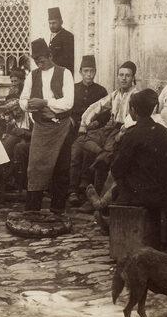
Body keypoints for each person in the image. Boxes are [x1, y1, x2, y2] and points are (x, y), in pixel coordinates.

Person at [86, 88, 167, 233]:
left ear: (133, 110)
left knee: (121, 178)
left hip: (142, 194)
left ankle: (105, 211)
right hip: (166, 191)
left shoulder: (132, 134)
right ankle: (104, 209)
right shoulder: (165, 133)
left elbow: (117, 169)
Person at [19, 38, 75, 214]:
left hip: (61, 127)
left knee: (61, 167)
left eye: (42, 60)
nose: (39, 64)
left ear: (50, 56)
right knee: (35, 167)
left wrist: (45, 103)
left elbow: (68, 102)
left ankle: (57, 209)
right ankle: (32, 210)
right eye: (36, 61)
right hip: (41, 127)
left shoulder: (65, 73)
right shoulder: (32, 75)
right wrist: (30, 105)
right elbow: (23, 99)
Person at [72, 61, 138, 208]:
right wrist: (84, 122)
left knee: (102, 161)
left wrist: (122, 132)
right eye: (121, 75)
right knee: (81, 140)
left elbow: (134, 119)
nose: (123, 78)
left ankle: (96, 201)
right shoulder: (115, 94)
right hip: (111, 129)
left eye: (127, 75)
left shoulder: (136, 95)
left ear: (133, 77)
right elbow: (97, 106)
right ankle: (104, 153)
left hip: (126, 131)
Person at [69, 55, 108, 202]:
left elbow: (106, 114)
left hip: (93, 132)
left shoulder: (101, 91)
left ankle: (84, 187)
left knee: (88, 153)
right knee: (75, 154)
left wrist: (96, 123)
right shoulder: (73, 89)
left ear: (95, 72)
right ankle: (72, 190)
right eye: (86, 71)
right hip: (75, 131)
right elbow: (67, 109)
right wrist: (72, 120)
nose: (89, 74)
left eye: (92, 71)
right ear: (80, 72)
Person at [0, 68, 31, 191]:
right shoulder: (10, 95)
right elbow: (8, 115)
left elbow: (17, 111)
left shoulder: (26, 94)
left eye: (16, 81)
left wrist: (4, 109)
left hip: (25, 129)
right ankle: (2, 180)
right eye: (11, 81)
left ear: (22, 81)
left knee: (4, 148)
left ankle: (3, 180)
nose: (13, 84)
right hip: (14, 128)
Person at [47, 7, 75, 75]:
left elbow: (68, 60)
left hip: (63, 73)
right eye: (50, 23)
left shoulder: (68, 36)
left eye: (54, 23)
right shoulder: (52, 36)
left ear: (61, 22)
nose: (51, 26)